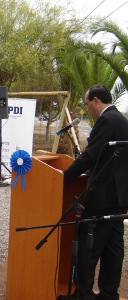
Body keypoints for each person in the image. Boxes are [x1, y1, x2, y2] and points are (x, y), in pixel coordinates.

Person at [63, 85, 128, 300]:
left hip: (101, 196)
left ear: (96, 101)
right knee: (113, 248)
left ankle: (84, 293)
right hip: (120, 196)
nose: (87, 108)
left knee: (88, 247)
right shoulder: (122, 120)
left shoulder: (106, 121)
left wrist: (65, 176)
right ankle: (109, 293)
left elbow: (90, 155)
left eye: (87, 103)